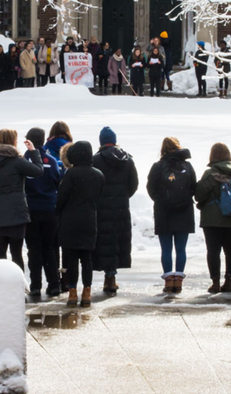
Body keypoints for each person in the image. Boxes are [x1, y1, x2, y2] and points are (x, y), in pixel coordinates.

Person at [0, 128, 44, 271]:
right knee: (16, 253)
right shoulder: (17, 161)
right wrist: (34, 152)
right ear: (12, 142)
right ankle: (17, 283)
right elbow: (38, 171)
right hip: (17, 212)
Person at [57, 141, 104, 307]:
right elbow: (99, 197)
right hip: (89, 219)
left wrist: (59, 211)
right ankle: (86, 293)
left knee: (72, 259)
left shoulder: (71, 174)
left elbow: (61, 198)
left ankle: (72, 293)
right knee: (87, 259)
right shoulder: (98, 175)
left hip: (70, 220)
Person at [92, 126, 138, 294]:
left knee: (106, 241)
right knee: (117, 240)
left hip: (101, 208)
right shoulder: (128, 160)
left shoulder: (95, 160)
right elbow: (133, 184)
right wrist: (122, 196)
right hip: (121, 208)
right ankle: (111, 278)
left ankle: (109, 275)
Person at [194, 143, 231, 293]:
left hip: (212, 219)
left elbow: (199, 195)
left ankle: (215, 282)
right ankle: (229, 281)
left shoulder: (210, 174)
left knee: (213, 251)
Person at [147, 137, 196, 294]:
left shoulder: (157, 166)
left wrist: (161, 201)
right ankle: (178, 282)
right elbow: (194, 186)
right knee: (181, 248)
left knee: (166, 249)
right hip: (184, 211)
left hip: (164, 213)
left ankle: (169, 281)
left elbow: (151, 187)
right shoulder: (187, 166)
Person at [23, 127, 63, 297]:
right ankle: (54, 285)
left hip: (31, 209)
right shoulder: (52, 161)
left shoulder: (23, 160)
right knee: (49, 248)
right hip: (49, 209)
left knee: (34, 249)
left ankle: (35, 285)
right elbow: (57, 182)